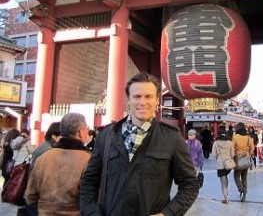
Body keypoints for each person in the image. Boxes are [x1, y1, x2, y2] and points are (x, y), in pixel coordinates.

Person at [80, 72, 199, 216]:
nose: (143, 102)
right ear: (128, 100)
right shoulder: (106, 136)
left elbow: (190, 185)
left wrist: (167, 213)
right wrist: (92, 213)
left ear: (157, 101)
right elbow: (89, 182)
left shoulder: (172, 138)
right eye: (137, 96)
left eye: (148, 96)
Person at [26, 113, 90, 215]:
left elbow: (30, 197)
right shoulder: (88, 159)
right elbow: (90, 199)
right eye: (87, 128)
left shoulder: (43, 158)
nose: (88, 132)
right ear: (81, 132)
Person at [211, 127, 235, 205]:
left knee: (223, 181)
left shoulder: (216, 143)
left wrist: (219, 157)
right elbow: (232, 154)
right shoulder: (230, 142)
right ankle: (226, 194)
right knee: (226, 179)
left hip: (220, 164)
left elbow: (214, 155)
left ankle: (226, 198)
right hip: (228, 164)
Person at [232, 122, 254, 202]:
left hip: (238, 159)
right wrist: (249, 154)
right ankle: (245, 193)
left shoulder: (235, 137)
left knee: (236, 176)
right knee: (244, 177)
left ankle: (241, 189)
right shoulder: (248, 137)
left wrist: (233, 156)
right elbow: (252, 147)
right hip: (246, 159)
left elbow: (232, 147)